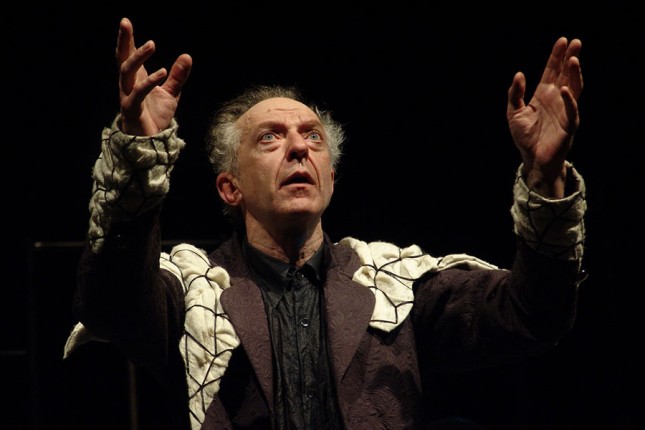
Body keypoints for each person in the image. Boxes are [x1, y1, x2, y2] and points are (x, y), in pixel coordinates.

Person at [64, 16, 588, 430]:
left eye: (313, 137)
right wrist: (139, 157)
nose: (299, 147)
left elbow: (532, 315)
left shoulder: (394, 283)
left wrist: (545, 178)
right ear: (230, 188)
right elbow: (110, 303)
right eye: (270, 137)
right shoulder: (195, 286)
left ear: (330, 179)